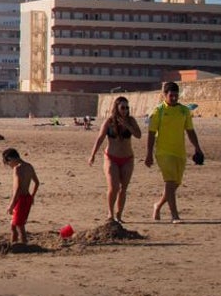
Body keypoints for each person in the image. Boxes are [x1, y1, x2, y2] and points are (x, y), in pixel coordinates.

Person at [145, 81, 205, 222]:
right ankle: (174, 216)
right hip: (163, 152)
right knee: (170, 182)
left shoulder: (184, 111)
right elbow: (151, 133)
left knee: (174, 184)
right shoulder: (158, 111)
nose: (173, 98)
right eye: (171, 95)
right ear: (164, 95)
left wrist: (197, 148)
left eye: (176, 96)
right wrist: (148, 154)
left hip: (180, 152)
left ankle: (158, 206)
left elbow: (190, 131)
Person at [88, 96, 142, 223]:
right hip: (111, 158)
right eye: (122, 108)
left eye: (127, 108)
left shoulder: (131, 121)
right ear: (117, 108)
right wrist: (93, 155)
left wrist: (127, 125)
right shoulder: (109, 121)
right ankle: (110, 214)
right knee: (113, 187)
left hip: (127, 159)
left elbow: (138, 135)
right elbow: (100, 138)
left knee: (124, 188)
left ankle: (119, 215)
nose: (125, 110)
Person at [3, 148, 39, 245]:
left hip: (21, 199)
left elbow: (18, 188)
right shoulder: (29, 166)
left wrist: (11, 204)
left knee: (19, 226)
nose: (9, 166)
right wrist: (32, 196)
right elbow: (37, 183)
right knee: (14, 226)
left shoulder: (17, 169)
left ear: (11, 159)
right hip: (27, 198)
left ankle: (24, 245)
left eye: (8, 163)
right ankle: (13, 244)